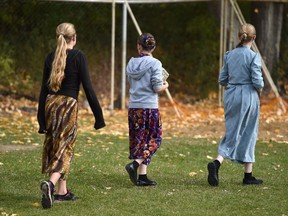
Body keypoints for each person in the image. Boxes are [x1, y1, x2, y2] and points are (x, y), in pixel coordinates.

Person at [37, 22, 105, 209]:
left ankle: (62, 192)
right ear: (74, 38)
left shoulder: (50, 57)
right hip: (67, 106)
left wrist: (40, 119)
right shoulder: (78, 56)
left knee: (56, 145)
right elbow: (88, 89)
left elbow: (43, 91)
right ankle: (50, 185)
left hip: (51, 105)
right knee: (66, 147)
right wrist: (99, 117)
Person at [207, 23, 264, 186]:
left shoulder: (229, 55)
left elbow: (222, 79)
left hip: (231, 94)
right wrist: (259, 90)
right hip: (248, 95)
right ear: (253, 38)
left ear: (239, 37)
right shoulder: (254, 56)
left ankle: (247, 174)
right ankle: (219, 163)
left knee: (233, 130)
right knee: (249, 131)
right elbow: (257, 80)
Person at [125, 33, 169, 186]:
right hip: (149, 107)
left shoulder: (130, 64)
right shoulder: (155, 63)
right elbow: (157, 87)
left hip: (134, 108)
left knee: (141, 140)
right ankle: (135, 165)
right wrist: (165, 85)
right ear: (154, 47)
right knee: (155, 139)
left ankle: (142, 176)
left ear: (138, 46)